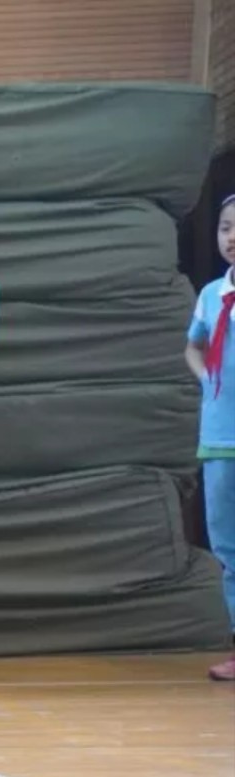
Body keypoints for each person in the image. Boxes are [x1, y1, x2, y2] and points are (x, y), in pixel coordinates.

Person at [184, 192, 235, 682]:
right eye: (224, 227)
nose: (232, 236)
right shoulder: (210, 295)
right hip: (221, 437)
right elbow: (194, 346)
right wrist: (208, 381)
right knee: (228, 549)